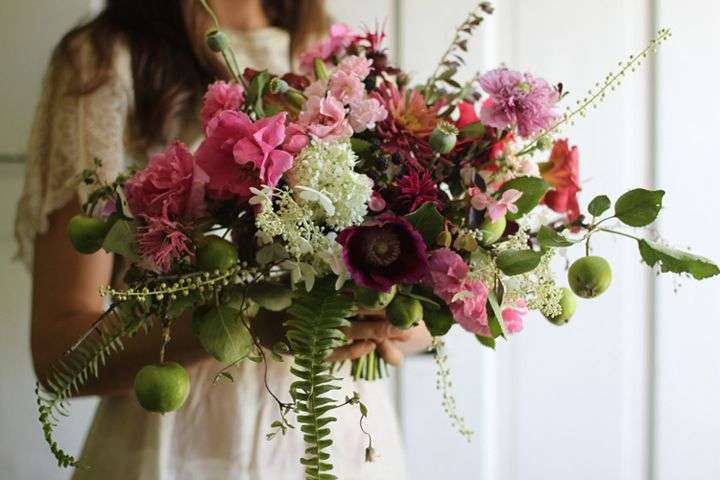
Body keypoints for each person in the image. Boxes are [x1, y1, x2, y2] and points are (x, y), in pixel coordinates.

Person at [14, 1, 433, 478]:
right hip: (175, 449)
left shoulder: (343, 57)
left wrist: (393, 323)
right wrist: (251, 322)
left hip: (344, 446)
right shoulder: (105, 61)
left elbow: (420, 320)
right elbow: (57, 353)